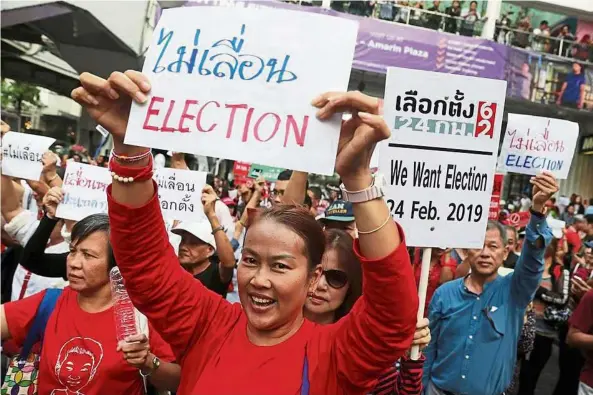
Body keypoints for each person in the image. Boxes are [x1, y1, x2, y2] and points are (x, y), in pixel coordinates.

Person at [71, 70, 418, 394]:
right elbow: (146, 267)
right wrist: (130, 149)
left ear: (313, 278)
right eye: (250, 260)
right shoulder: (208, 325)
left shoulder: (334, 353)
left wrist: (357, 180)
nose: (259, 280)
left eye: (280, 266)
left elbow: (393, 315)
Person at [0, 214, 181, 393]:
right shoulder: (49, 302)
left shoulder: (142, 316)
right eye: (72, 251)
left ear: (118, 263)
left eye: (88, 255)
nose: (74, 263)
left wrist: (149, 362)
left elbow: (178, 381)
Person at [423, 171, 558, 395]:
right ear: (466, 251)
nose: (485, 253)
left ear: (505, 253)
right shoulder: (444, 295)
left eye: (493, 247)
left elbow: (533, 262)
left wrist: (537, 211)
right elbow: (429, 349)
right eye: (478, 246)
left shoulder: (515, 291)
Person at [304, 228, 429, 395]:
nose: (320, 285)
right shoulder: (269, 329)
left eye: (336, 278)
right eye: (314, 274)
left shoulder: (366, 346)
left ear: (351, 285)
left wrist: (411, 357)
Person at [518, 238, 568, 395]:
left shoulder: (560, 271)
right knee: (514, 373)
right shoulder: (529, 266)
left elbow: (563, 299)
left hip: (544, 333)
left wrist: (541, 292)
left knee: (530, 376)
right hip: (520, 327)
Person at [171, 185, 236, 297]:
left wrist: (211, 215)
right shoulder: (175, 269)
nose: (184, 246)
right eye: (183, 239)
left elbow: (229, 263)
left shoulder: (216, 274)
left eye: (193, 243)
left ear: (209, 250)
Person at [412, 248, 455, 316]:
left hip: (435, 311)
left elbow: (444, 281)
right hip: (414, 307)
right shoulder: (419, 255)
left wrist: (447, 256)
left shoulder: (449, 262)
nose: (440, 247)